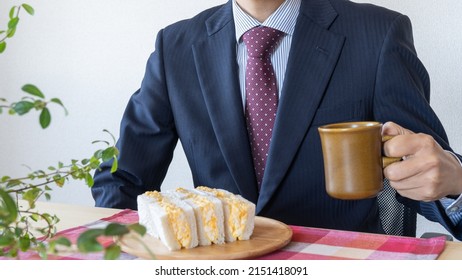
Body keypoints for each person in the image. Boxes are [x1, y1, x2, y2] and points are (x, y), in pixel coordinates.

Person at [91, 0, 462, 239]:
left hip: (339, 263)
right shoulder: (176, 46)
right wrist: (124, 253)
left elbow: (426, 167)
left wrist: (455, 185)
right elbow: (123, 178)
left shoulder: (378, 33)